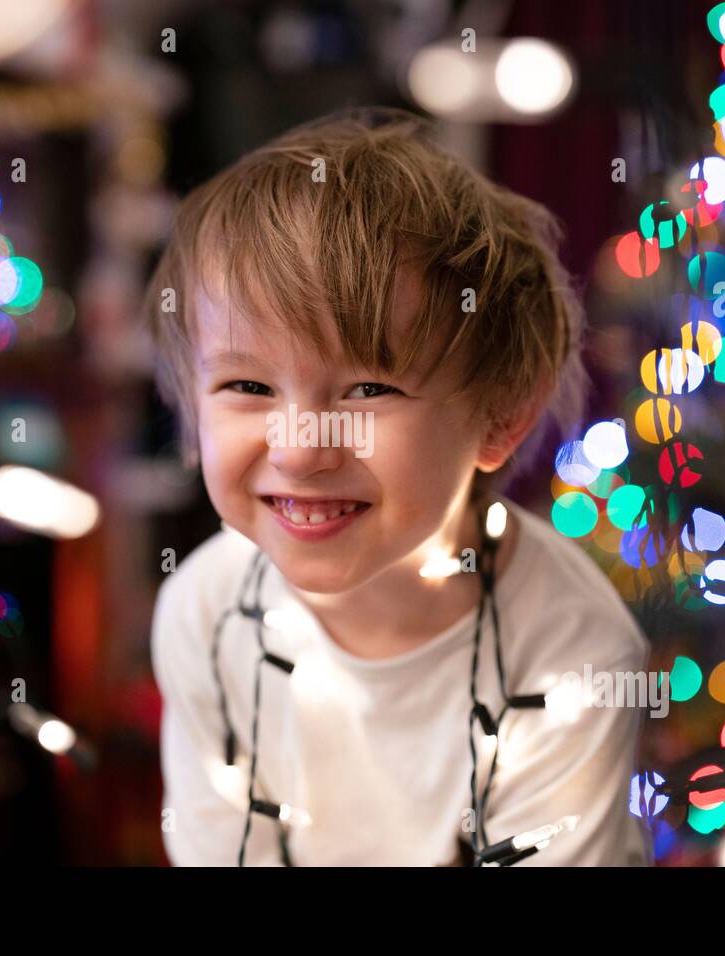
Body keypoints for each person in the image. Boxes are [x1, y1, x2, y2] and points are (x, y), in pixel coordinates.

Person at [143, 107, 653, 866]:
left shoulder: (571, 655)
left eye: (367, 390)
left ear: (500, 417)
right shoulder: (206, 610)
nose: (301, 449)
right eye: (248, 384)